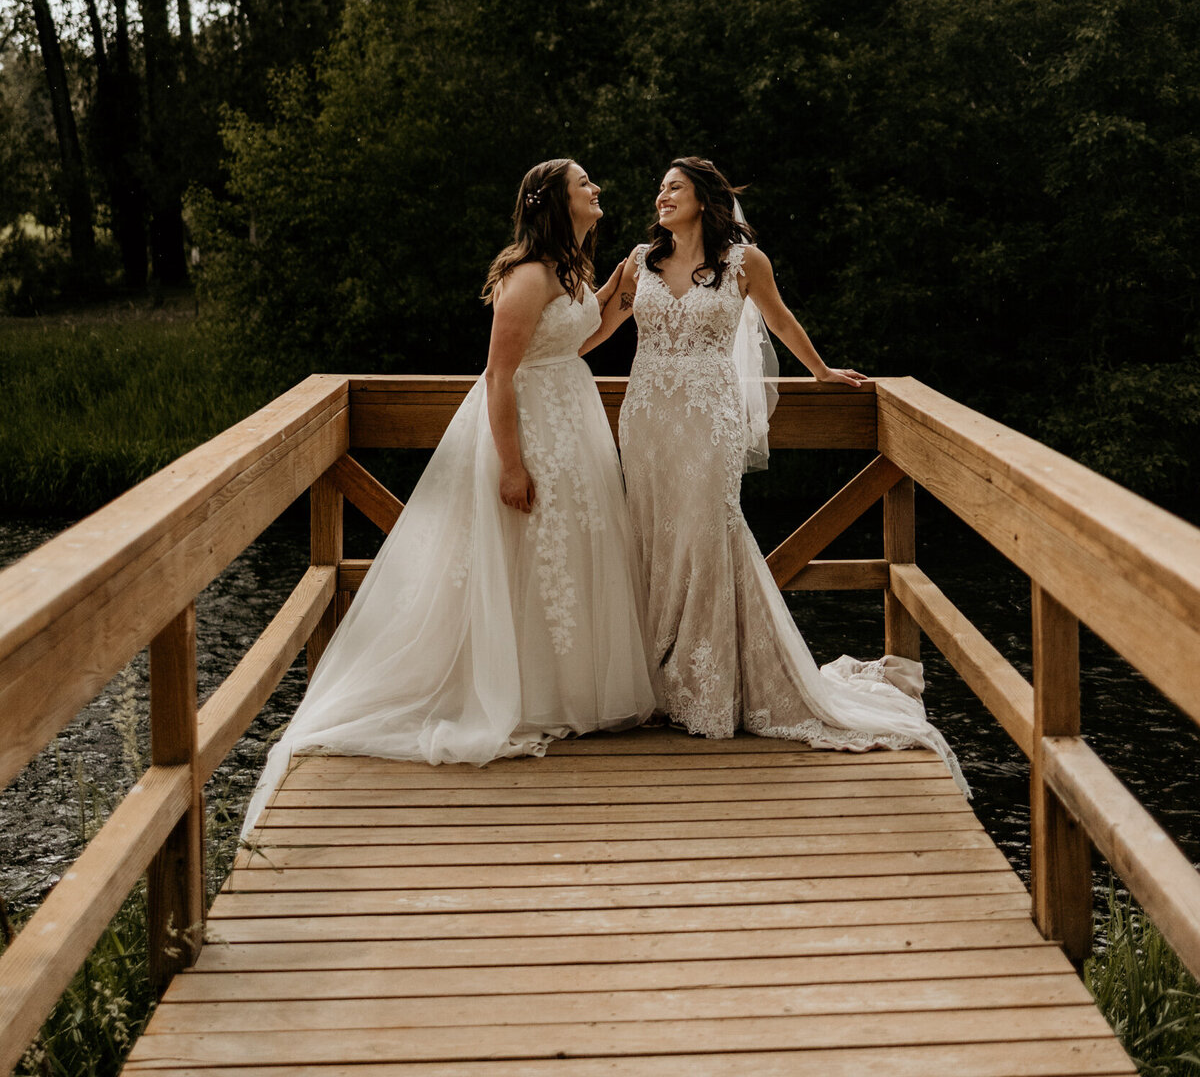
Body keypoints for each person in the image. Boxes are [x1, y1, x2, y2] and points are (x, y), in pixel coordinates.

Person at [243, 158, 655, 831]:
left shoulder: (573, 269)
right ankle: (518, 697)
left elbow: (583, 341)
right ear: (557, 200)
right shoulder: (528, 273)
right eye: (585, 183)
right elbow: (499, 374)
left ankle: (568, 694)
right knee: (525, 553)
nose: (597, 190)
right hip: (527, 425)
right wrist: (512, 466)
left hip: (572, 417)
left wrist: (617, 293)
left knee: (569, 552)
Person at [584, 156, 965, 789]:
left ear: (703, 200)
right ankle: (653, 681)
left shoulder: (743, 263)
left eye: (672, 188)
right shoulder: (637, 263)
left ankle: (706, 692)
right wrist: (540, 360)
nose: (660, 196)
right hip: (647, 418)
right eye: (658, 189)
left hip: (709, 420)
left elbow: (780, 319)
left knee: (706, 535)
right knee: (651, 536)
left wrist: (819, 370)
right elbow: (598, 325)